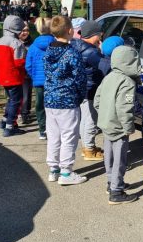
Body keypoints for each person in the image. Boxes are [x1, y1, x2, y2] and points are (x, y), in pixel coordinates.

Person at [43, 16, 88, 186]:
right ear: (70, 31)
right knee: (69, 136)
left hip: (50, 99)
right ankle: (66, 172)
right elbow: (80, 78)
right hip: (68, 100)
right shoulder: (71, 53)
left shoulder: (48, 51)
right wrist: (80, 96)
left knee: (54, 135)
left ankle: (53, 169)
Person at [94, 45, 141, 204]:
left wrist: (104, 114)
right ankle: (116, 192)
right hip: (119, 127)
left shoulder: (109, 76)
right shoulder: (127, 82)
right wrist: (128, 127)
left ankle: (111, 183)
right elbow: (125, 108)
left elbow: (97, 100)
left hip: (106, 124)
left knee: (109, 156)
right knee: (120, 160)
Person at [0, 15, 28, 138]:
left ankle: (5, 121)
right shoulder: (17, 43)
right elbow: (18, 62)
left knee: (10, 100)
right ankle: (10, 126)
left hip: (2, 76)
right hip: (14, 77)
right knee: (16, 101)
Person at [71, 20, 105, 161]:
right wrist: (102, 51)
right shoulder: (91, 52)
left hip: (82, 88)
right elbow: (105, 66)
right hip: (91, 89)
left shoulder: (75, 44)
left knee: (85, 118)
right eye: (100, 34)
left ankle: (87, 147)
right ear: (94, 35)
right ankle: (89, 149)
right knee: (92, 119)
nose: (101, 37)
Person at [25, 17, 54, 140]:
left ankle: (42, 129)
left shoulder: (33, 47)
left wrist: (34, 76)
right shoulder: (56, 44)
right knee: (53, 105)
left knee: (40, 105)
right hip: (53, 80)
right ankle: (54, 128)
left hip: (38, 81)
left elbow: (28, 65)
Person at [18, 23, 33, 125]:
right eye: (23, 31)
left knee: (27, 94)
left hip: (27, 73)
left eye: (27, 30)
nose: (25, 33)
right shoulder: (14, 42)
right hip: (16, 73)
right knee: (16, 95)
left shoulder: (32, 43)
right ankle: (16, 113)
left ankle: (25, 113)